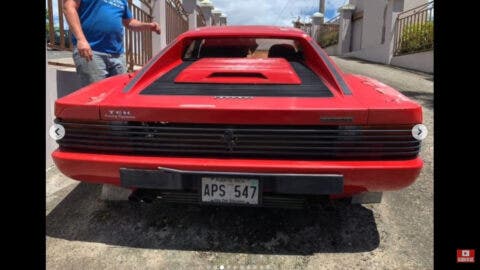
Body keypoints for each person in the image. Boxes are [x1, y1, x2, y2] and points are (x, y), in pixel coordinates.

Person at [63, 0, 161, 87]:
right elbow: (69, 7)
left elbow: (129, 22)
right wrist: (81, 39)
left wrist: (147, 26)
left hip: (117, 55)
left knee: (119, 97)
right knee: (96, 98)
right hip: (92, 52)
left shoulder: (122, 1)